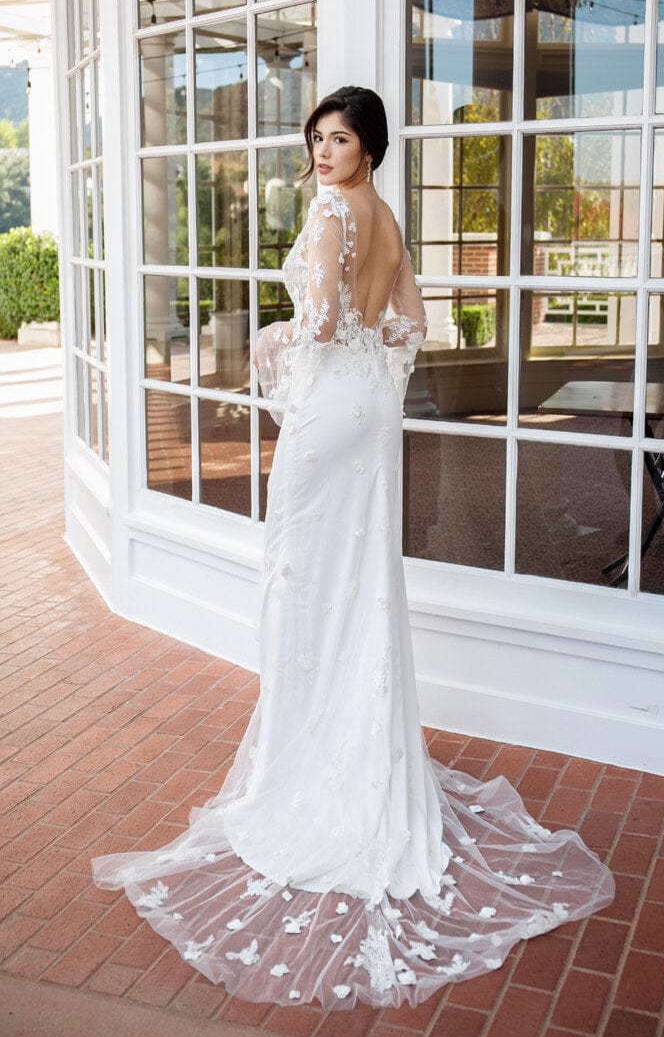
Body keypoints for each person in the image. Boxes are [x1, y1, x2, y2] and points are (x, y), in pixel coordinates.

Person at [92, 87, 614, 1011]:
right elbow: (410, 325)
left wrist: (269, 334)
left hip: (332, 409)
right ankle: (351, 748)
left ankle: (311, 766)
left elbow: (325, 321)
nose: (324, 153)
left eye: (338, 138)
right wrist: (366, 365)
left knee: (305, 578)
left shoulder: (336, 209)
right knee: (354, 582)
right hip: (368, 413)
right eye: (316, 139)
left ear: (367, 146)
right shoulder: (386, 216)